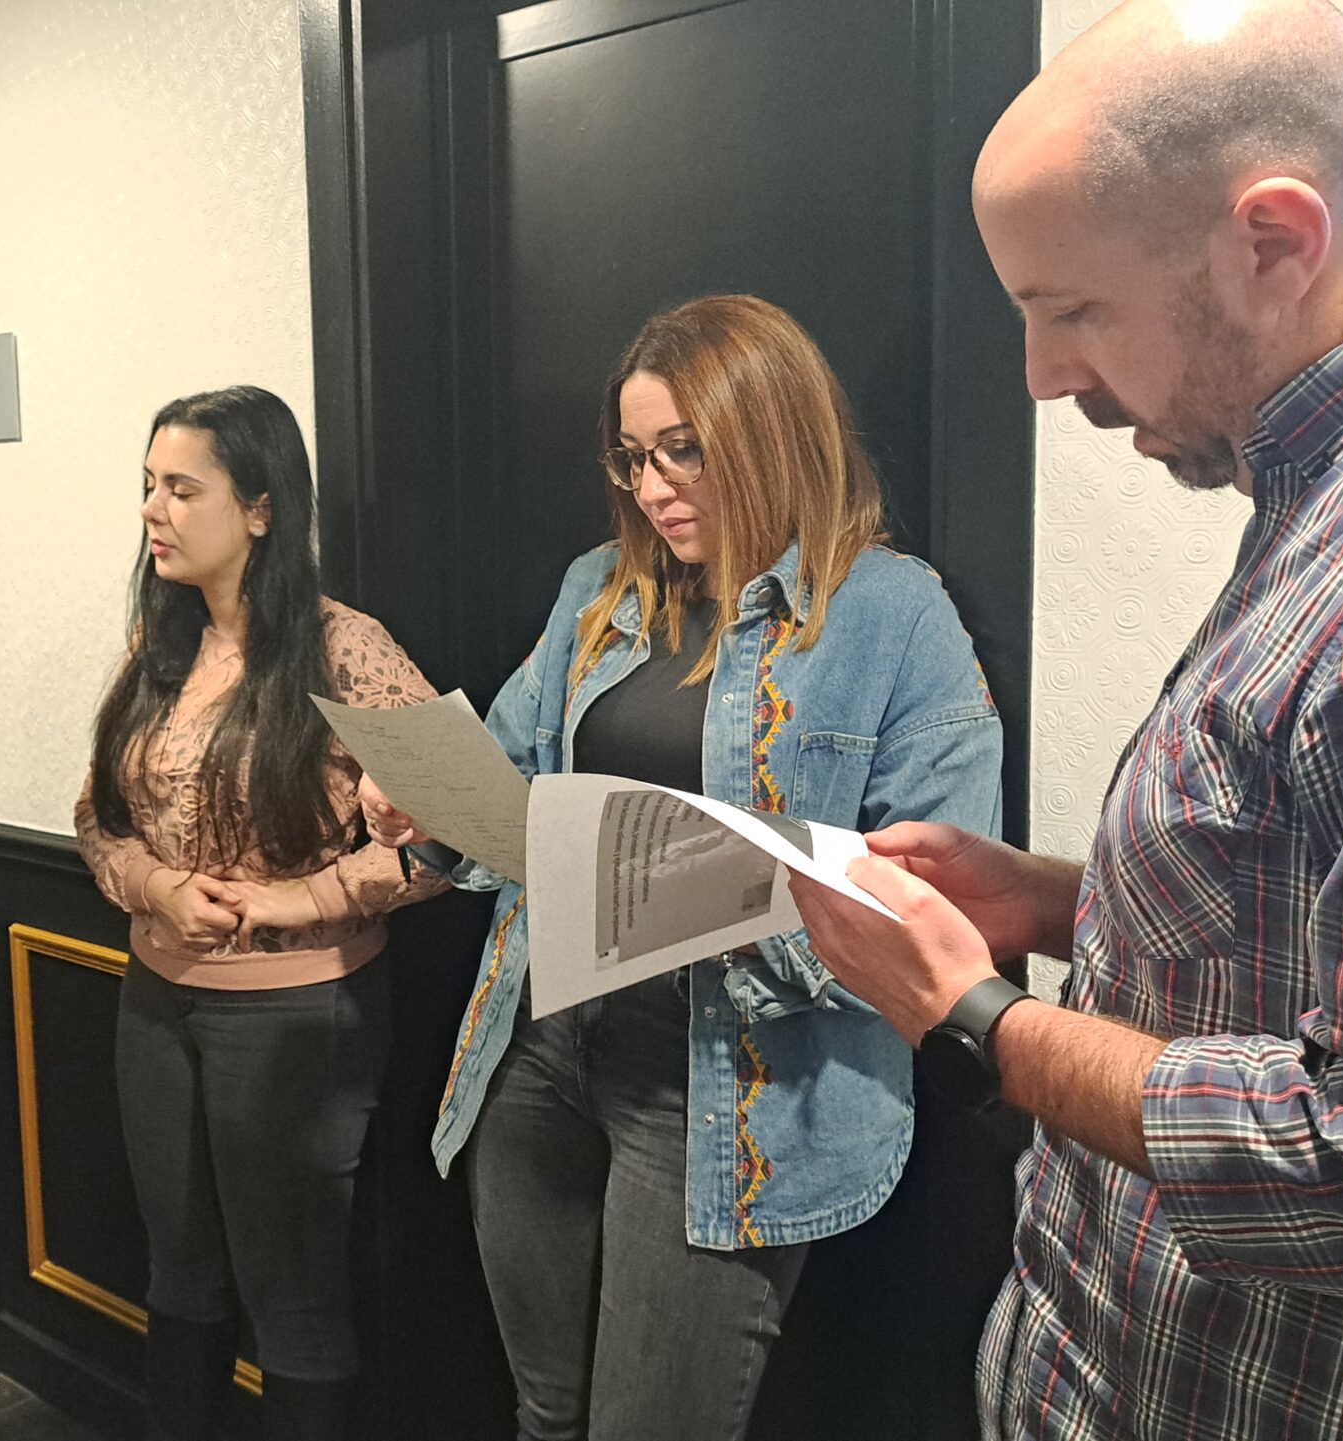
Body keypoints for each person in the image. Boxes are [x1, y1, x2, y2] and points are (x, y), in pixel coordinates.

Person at [785, 3, 1343, 1438]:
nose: (1042, 377)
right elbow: (1308, 901)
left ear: (1272, 240)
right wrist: (1054, 900)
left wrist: (976, 1017)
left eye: (1071, 311)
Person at [366, 295, 1002, 1439]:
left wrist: (722, 902)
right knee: (545, 1411)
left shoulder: (890, 613)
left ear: (770, 432)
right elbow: (509, 773)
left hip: (725, 1081)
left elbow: (936, 894)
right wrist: (430, 806)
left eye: (683, 450)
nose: (653, 488)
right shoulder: (599, 587)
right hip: (543, 1043)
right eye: (632, 457)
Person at [76, 386, 447, 1441]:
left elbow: (453, 838)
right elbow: (95, 815)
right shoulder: (162, 641)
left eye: (181, 488)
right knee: (179, 1272)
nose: (152, 509)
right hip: (157, 1001)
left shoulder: (345, 648)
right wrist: (156, 888)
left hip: (297, 1017)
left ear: (260, 507)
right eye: (148, 484)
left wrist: (304, 897)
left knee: (293, 1298)